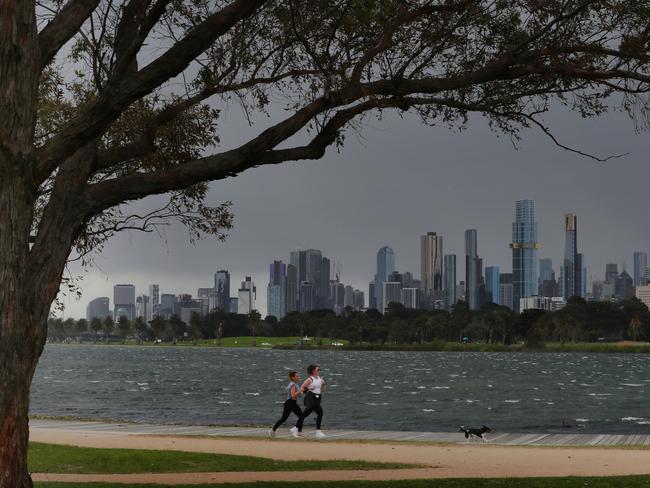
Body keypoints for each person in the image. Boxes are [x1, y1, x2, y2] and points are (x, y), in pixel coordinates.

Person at [290, 364, 326, 438]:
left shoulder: (319, 378)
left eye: (319, 370)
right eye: (317, 370)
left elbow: (322, 390)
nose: (319, 371)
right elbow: (302, 388)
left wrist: (323, 383)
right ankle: (318, 432)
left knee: (315, 413)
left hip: (317, 397)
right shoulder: (310, 379)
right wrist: (309, 389)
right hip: (310, 397)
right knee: (316, 412)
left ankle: (295, 428)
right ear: (313, 371)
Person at [269, 370, 303, 438]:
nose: (299, 377)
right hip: (289, 403)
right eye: (297, 376)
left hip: (293, 403)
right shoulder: (293, 384)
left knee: (301, 416)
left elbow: (298, 394)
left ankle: (298, 433)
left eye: (298, 376)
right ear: (293, 378)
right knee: (284, 419)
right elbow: (293, 395)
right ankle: (272, 430)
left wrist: (303, 390)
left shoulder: (295, 384)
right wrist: (300, 391)